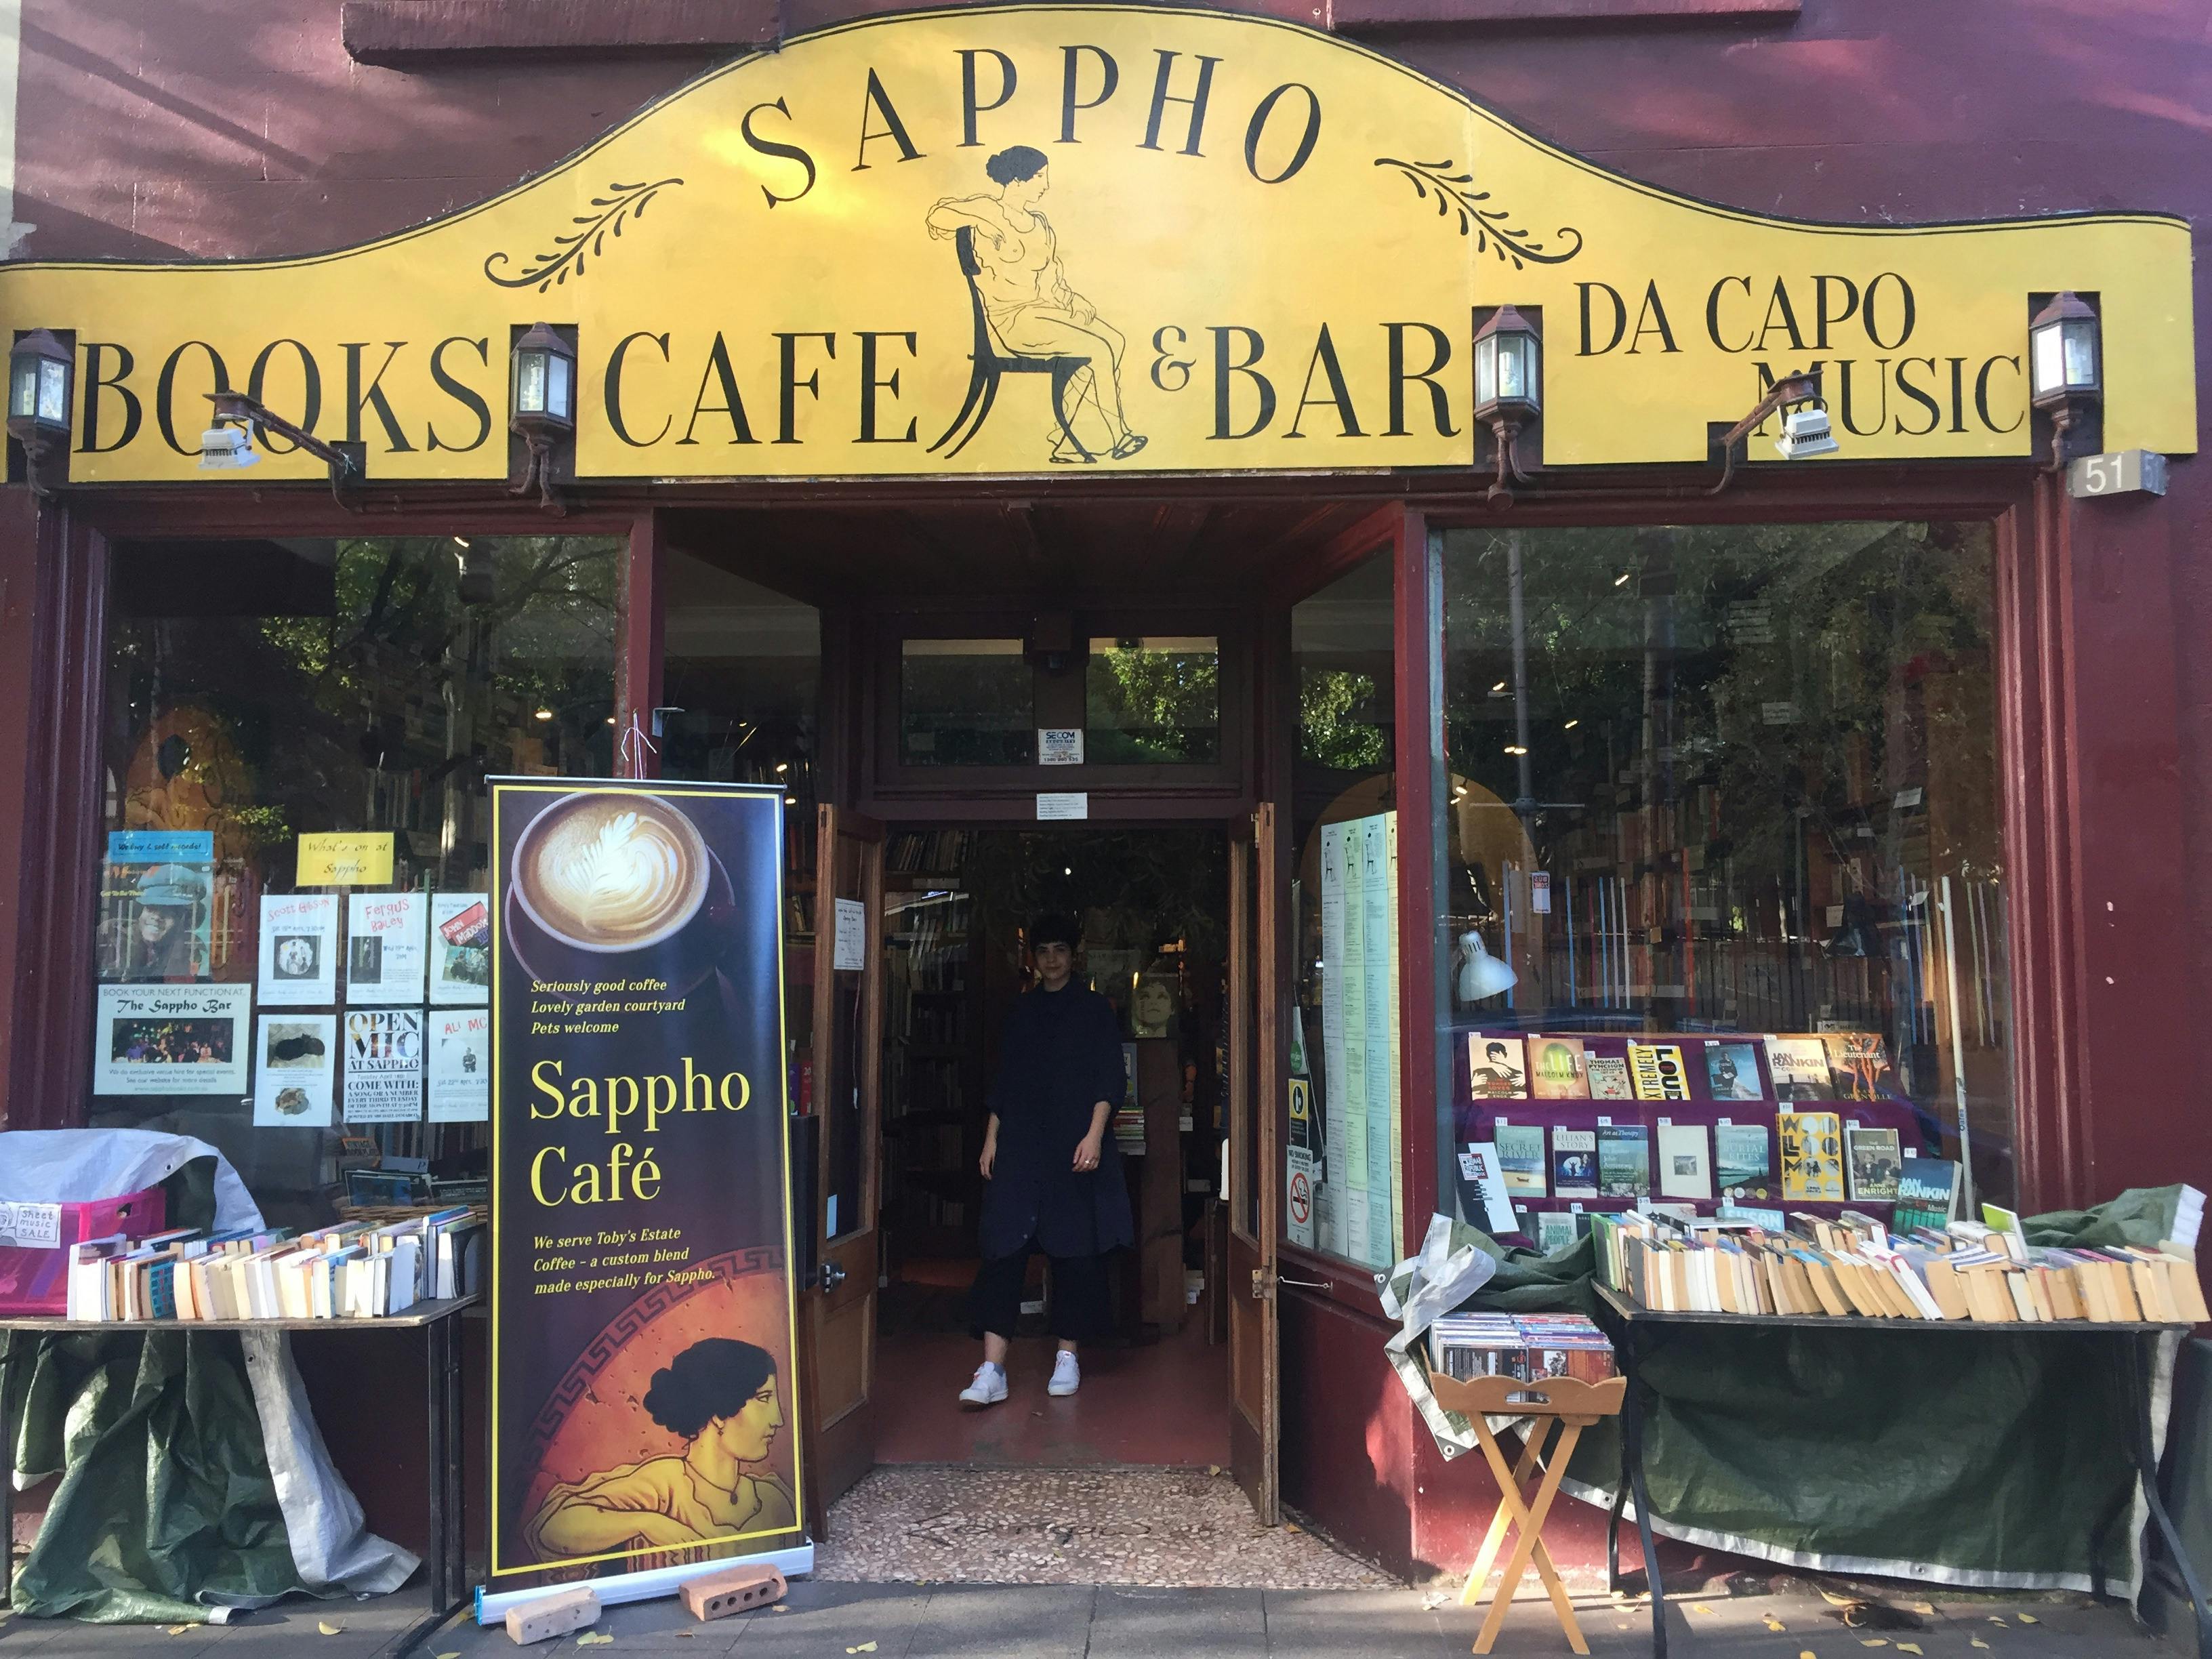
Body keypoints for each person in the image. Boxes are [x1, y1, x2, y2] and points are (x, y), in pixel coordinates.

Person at [960, 913, 1134, 1408]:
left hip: (1073, 1144)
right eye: (1043, 951)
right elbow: (1005, 1083)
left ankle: (1067, 1356)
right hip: (1020, 1145)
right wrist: (991, 1139)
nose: (1052, 959)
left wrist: (1095, 1136)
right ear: (1033, 958)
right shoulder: (1021, 1012)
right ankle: (993, 1369)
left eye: (1060, 950)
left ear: (1073, 956)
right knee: (1002, 1249)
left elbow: (1109, 1080)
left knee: (1074, 1250)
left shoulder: (1095, 1010)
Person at [924, 146, 1147, 464]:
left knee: (1114, 339)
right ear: (1018, 179)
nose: (1046, 185)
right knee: (1097, 351)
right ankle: (1119, 436)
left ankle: (1070, 444)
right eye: (1040, 177)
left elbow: (1052, 281)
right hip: (1012, 321)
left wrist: (1074, 302)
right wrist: (983, 222)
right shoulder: (987, 208)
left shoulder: (1039, 224)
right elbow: (937, 215)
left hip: (1043, 312)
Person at [522, 1336, 796, 1560]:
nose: (779, 1419)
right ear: (720, 1411)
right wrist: (649, 1522)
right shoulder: (666, 1483)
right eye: (764, 1399)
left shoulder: (773, 1499)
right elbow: (555, 1528)